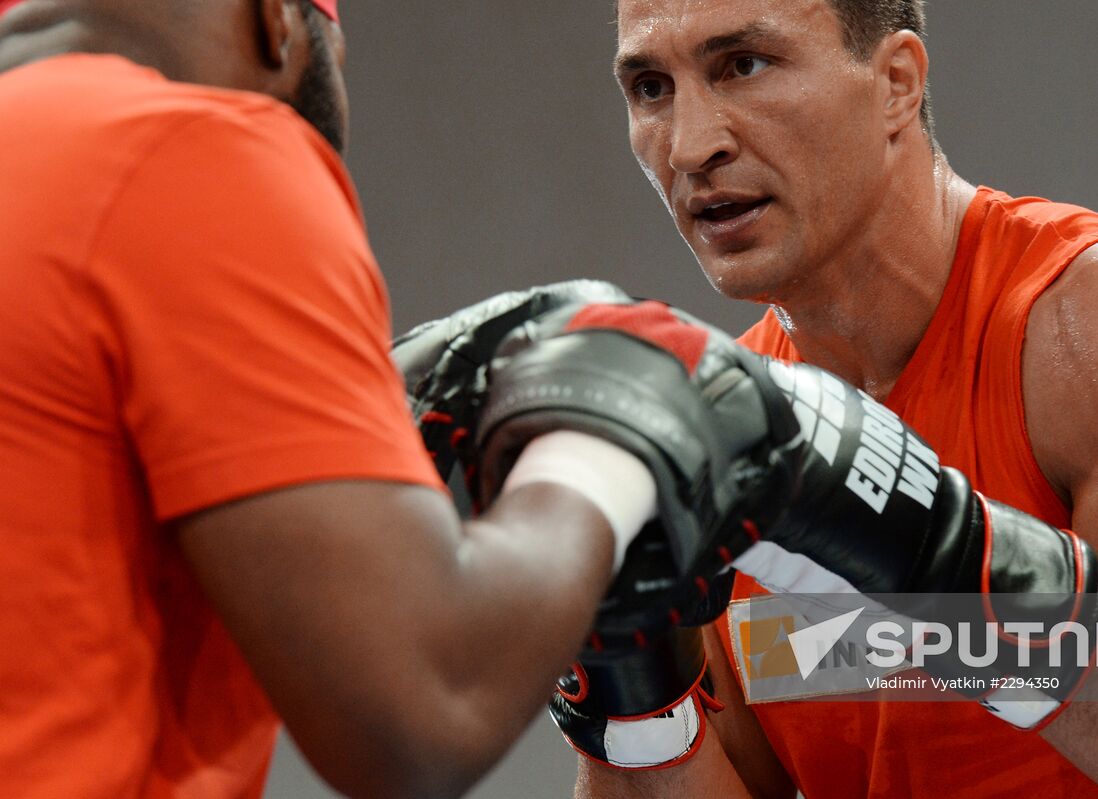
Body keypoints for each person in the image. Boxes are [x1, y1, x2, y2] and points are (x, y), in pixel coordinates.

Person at [566, 0, 1098, 795]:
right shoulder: (725, 439)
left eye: (743, 65)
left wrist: (942, 565)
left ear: (896, 82)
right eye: (651, 88)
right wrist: (629, 692)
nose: (688, 145)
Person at [0, 1, 792, 796]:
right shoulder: (187, 148)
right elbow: (428, 707)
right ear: (275, 22)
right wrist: (604, 451)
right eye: (651, 87)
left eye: (746, 66)